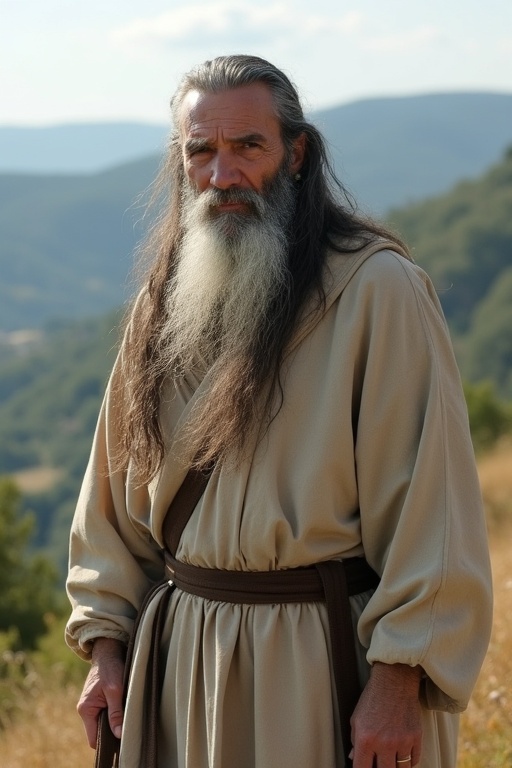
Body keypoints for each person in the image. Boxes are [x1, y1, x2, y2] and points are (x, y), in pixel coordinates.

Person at [66, 55, 492, 768]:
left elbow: (435, 507)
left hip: (323, 665)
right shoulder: (162, 305)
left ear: (295, 154)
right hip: (182, 673)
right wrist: (106, 645)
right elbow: (108, 505)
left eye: (247, 148)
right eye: (201, 151)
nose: (221, 174)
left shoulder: (377, 290)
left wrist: (397, 681)